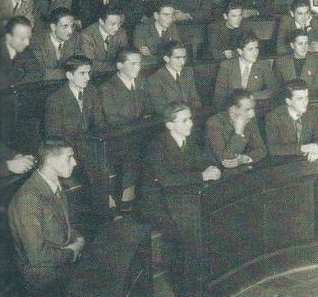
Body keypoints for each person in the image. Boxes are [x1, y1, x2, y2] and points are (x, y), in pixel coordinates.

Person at [139, 101, 220, 296]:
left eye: (190, 119)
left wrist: (212, 168)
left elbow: (205, 160)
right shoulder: (157, 146)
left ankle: (199, 284)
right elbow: (166, 180)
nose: (190, 124)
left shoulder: (189, 140)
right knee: (181, 237)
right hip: (157, 203)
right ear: (170, 125)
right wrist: (202, 176)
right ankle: (183, 288)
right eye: (184, 120)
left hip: (180, 198)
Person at [8, 137, 85, 296]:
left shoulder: (54, 184)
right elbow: (37, 256)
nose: (75, 163)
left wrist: (78, 240)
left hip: (58, 261)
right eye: (69, 158)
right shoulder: (28, 199)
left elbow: (65, 226)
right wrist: (73, 251)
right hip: (42, 276)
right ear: (50, 161)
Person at [99, 49, 147, 211]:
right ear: (119, 65)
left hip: (138, 133)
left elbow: (147, 109)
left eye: (139, 63)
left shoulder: (141, 82)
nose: (138, 68)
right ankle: (127, 197)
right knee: (133, 150)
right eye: (133, 64)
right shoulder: (108, 88)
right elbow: (112, 118)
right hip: (117, 137)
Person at [44, 55, 103, 142]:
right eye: (82, 73)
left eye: (89, 73)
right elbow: (54, 135)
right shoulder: (55, 99)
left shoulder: (92, 91)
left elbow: (99, 122)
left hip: (92, 143)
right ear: (69, 75)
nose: (88, 78)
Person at [266, 79, 318, 162]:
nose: (305, 102)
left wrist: (316, 148)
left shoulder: (314, 112)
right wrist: (303, 148)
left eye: (306, 97)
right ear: (288, 101)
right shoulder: (273, 117)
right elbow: (273, 149)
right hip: (285, 165)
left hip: (309, 162)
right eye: (300, 98)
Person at [213, 30, 277, 109]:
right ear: (240, 51)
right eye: (250, 49)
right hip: (232, 109)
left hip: (255, 109)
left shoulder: (264, 65)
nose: (255, 53)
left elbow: (273, 90)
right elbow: (219, 95)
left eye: (256, 48)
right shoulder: (227, 66)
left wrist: (250, 96)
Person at [206, 89, 267, 168]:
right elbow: (226, 160)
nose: (252, 114)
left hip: (244, 169)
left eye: (253, 108)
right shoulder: (214, 123)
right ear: (233, 109)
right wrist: (238, 132)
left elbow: (262, 149)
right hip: (220, 173)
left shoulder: (249, 120)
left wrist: (244, 159)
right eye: (247, 109)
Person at [145, 41, 202, 114]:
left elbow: (196, 100)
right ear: (166, 59)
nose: (182, 62)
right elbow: (161, 109)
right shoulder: (155, 79)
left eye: (184, 57)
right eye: (177, 58)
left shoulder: (188, 72)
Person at [31, 7, 82, 80]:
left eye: (72, 26)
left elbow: (81, 65)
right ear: (53, 27)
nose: (70, 31)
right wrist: (70, 73)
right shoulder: (36, 41)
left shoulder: (76, 38)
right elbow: (39, 73)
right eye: (65, 26)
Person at [0, 16, 41, 89]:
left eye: (28, 38)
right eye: (22, 39)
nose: (27, 43)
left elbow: (37, 73)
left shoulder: (25, 50)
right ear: (8, 37)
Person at [274, 29, 318, 96]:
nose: (304, 47)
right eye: (300, 44)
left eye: (306, 43)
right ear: (292, 45)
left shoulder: (317, 61)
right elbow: (278, 89)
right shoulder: (281, 62)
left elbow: (315, 89)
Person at [80, 6, 129, 72]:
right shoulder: (87, 35)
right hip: (94, 75)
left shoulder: (121, 32)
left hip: (115, 73)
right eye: (113, 24)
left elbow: (124, 57)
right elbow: (90, 63)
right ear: (101, 21)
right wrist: (118, 65)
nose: (117, 28)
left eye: (119, 23)